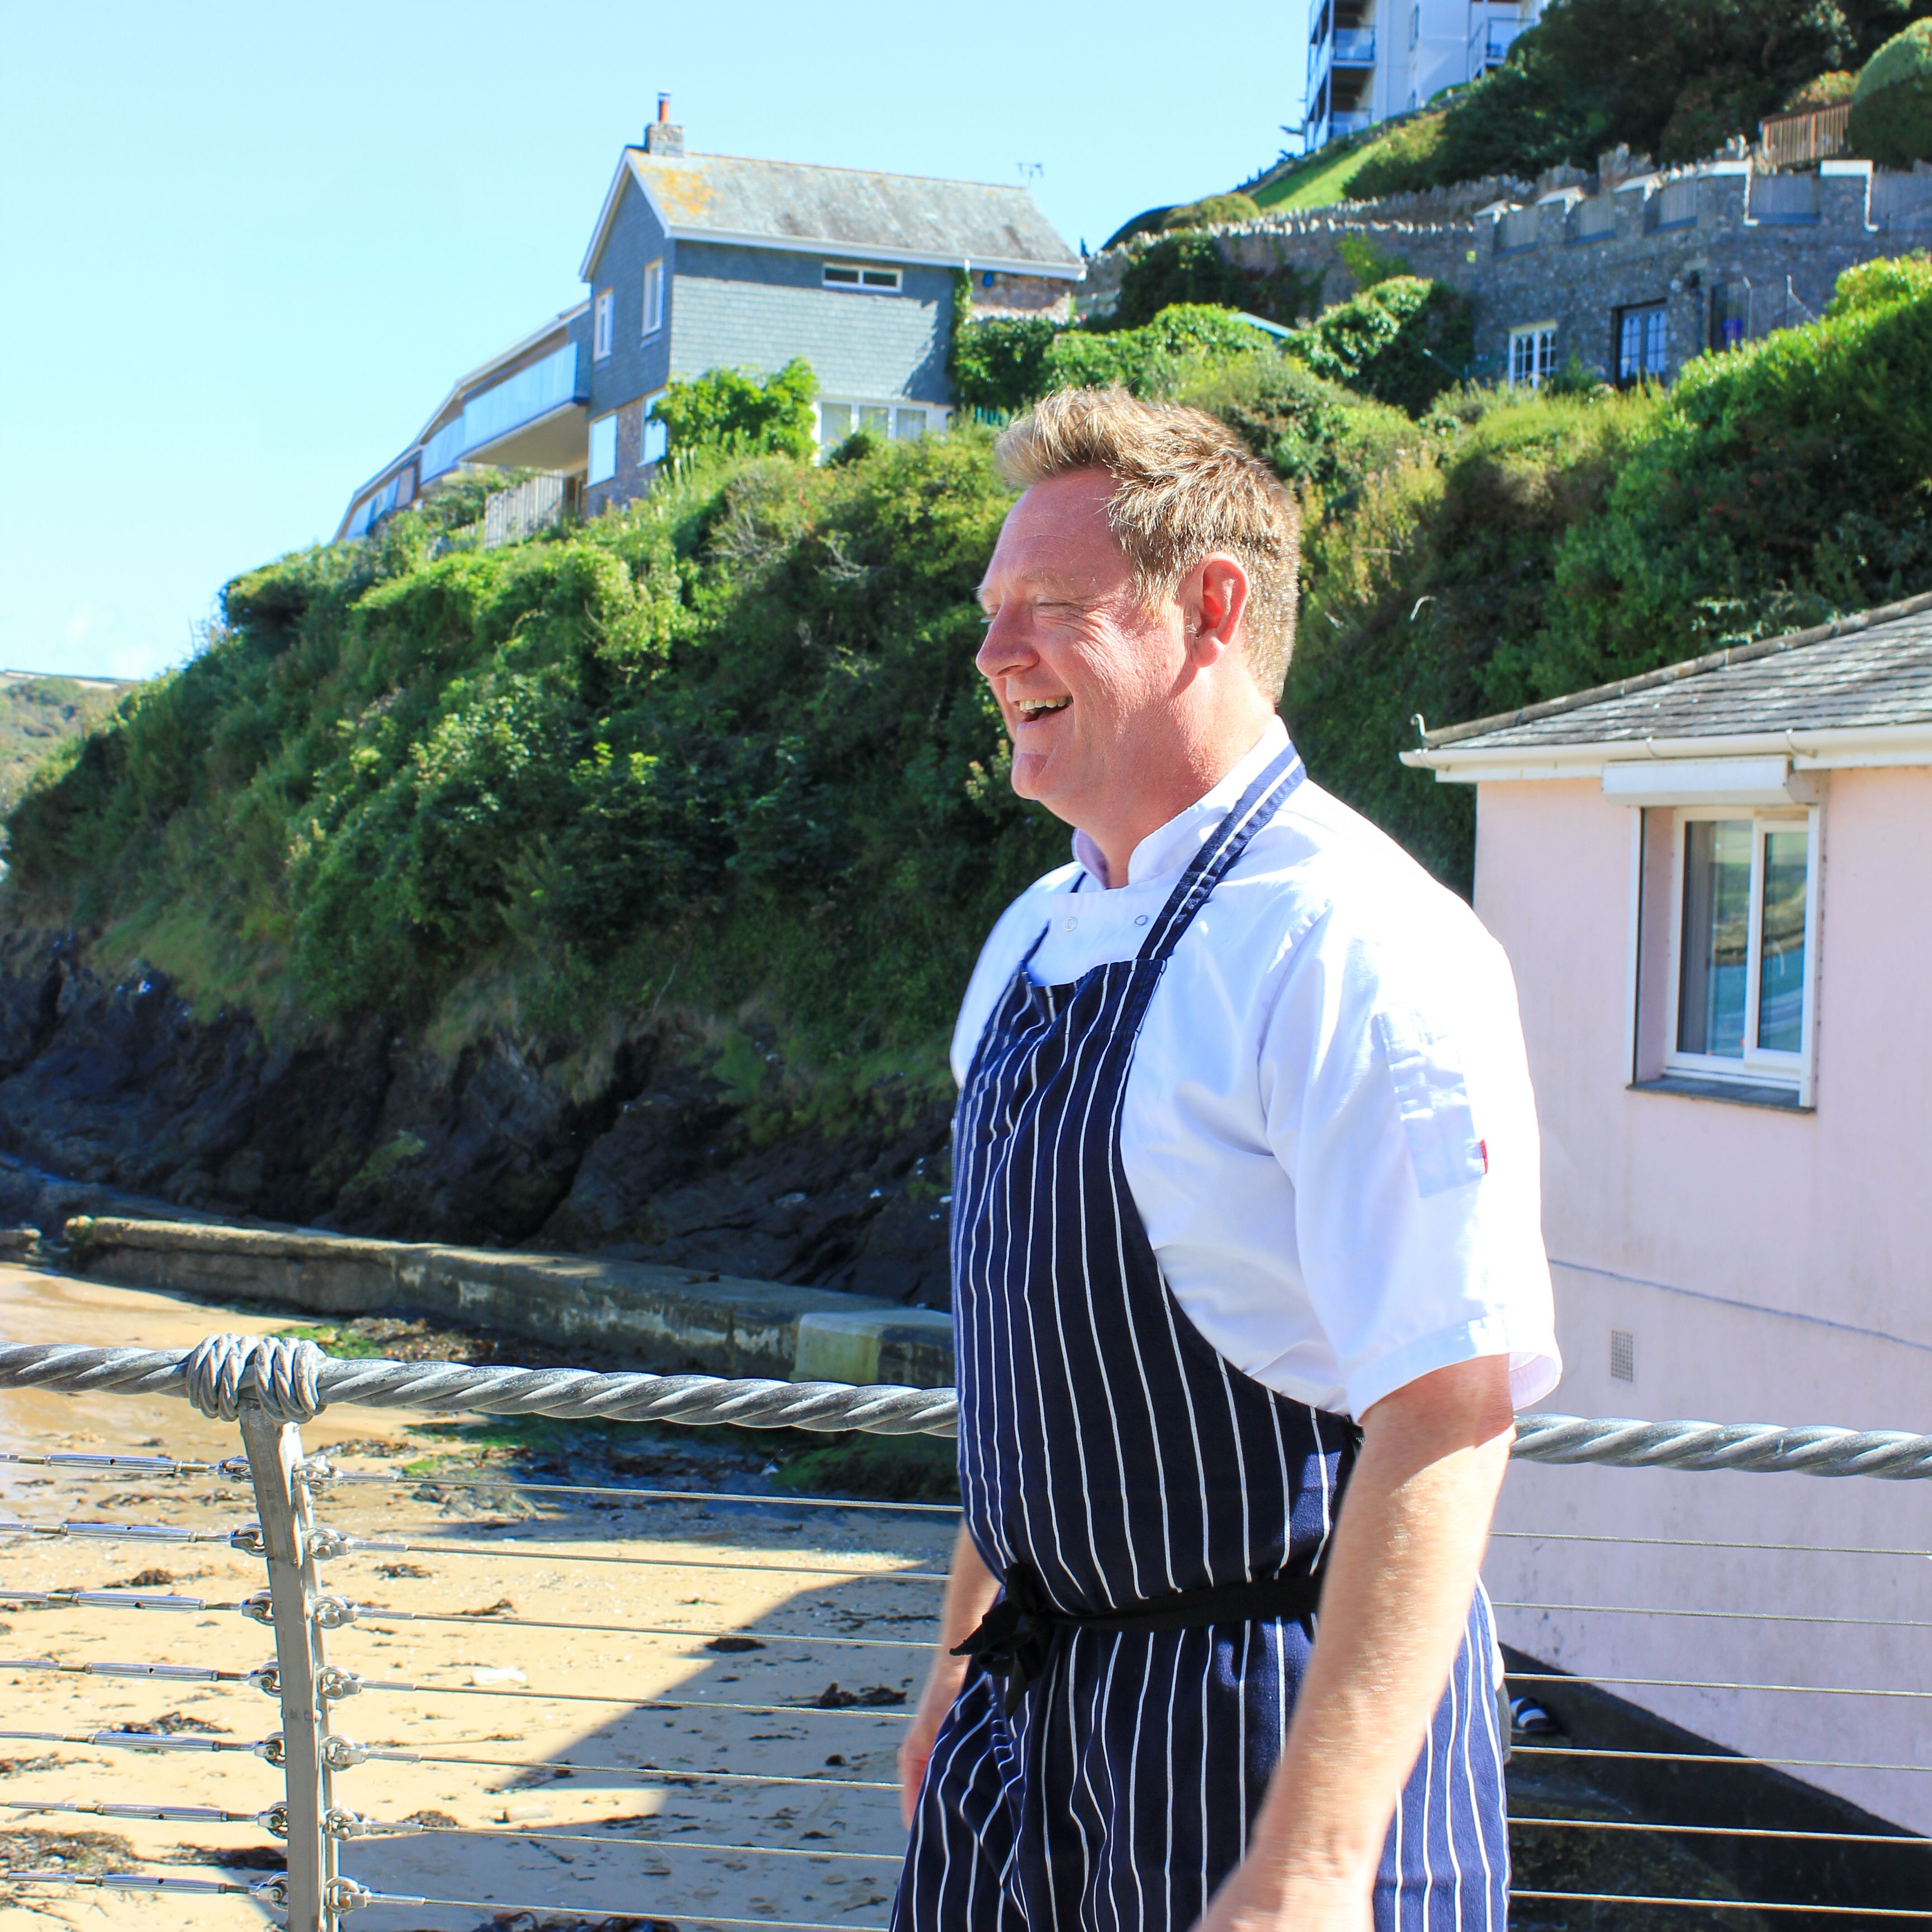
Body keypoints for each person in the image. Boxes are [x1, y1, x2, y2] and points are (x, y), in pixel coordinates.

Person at [890, 389, 1560, 1932]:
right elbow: (1039, 1367)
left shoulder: (1356, 944)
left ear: (1211, 608)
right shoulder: (1030, 942)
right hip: (1027, 1740)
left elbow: (1450, 1412)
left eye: (1050, 611)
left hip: (1270, 1740)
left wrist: (1310, 1870)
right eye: (992, 615)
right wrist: (953, 1669)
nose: (996, 657)